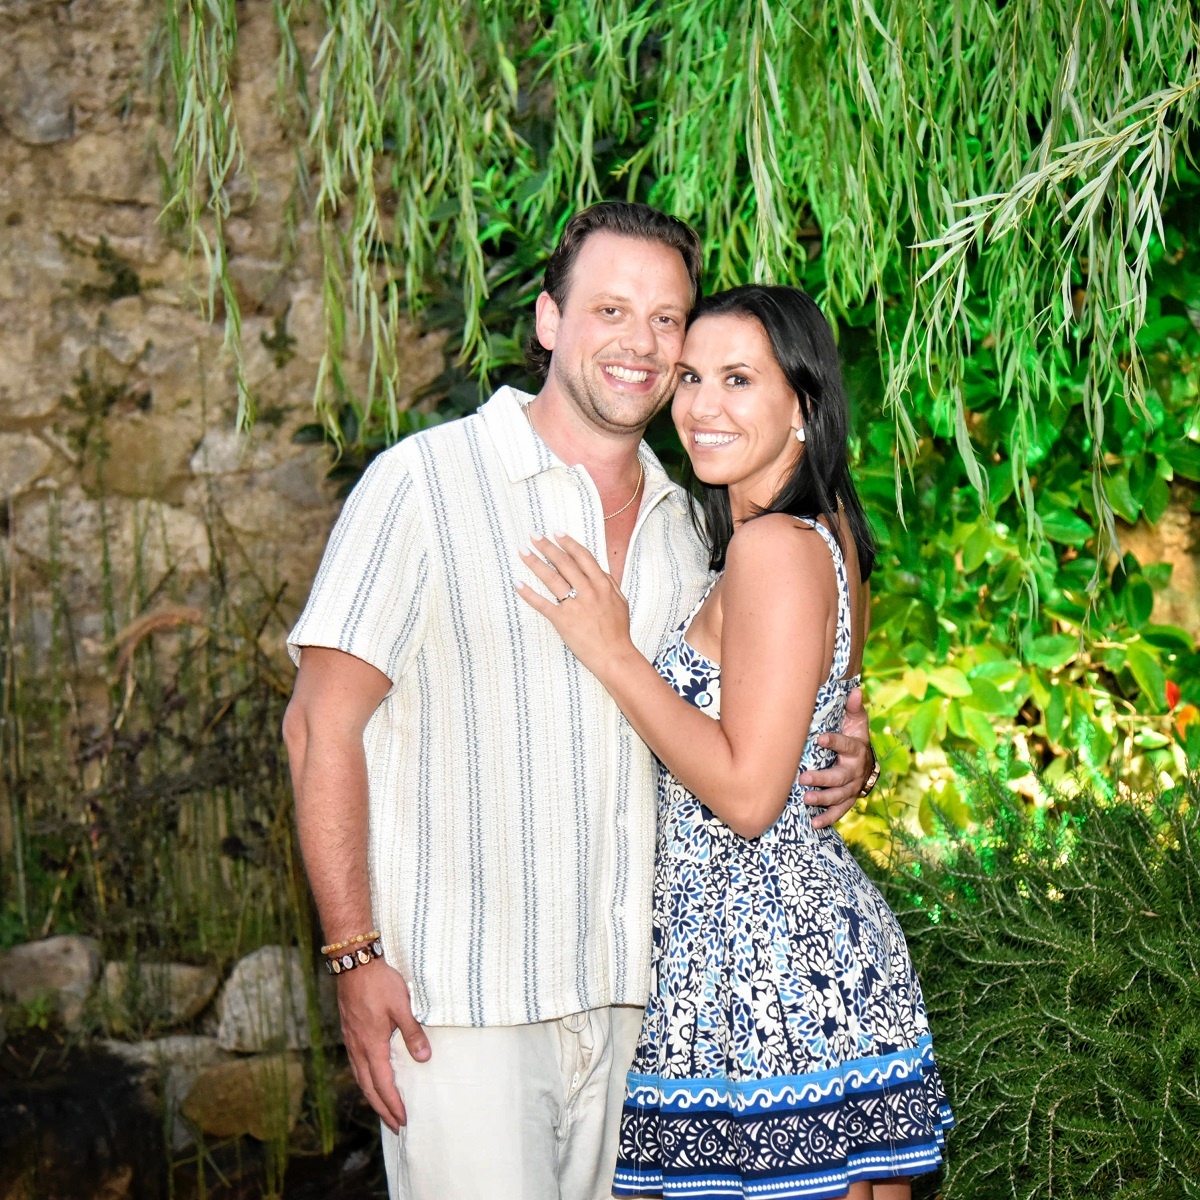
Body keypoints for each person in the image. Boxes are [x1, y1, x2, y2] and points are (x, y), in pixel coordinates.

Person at [282, 204, 878, 1200]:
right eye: (611, 310)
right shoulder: (425, 483)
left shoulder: (694, 528)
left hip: (649, 1010)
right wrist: (353, 956)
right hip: (464, 1007)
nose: (640, 342)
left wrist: (847, 748)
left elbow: (754, 715)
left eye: (665, 319)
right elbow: (318, 724)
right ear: (550, 321)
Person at [517, 285, 953, 1199]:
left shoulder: (773, 548)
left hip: (759, 964)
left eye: (739, 379)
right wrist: (856, 755)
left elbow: (750, 798)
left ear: (803, 406)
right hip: (807, 943)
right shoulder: (830, 532)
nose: (701, 406)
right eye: (689, 378)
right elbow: (823, 718)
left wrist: (612, 650)